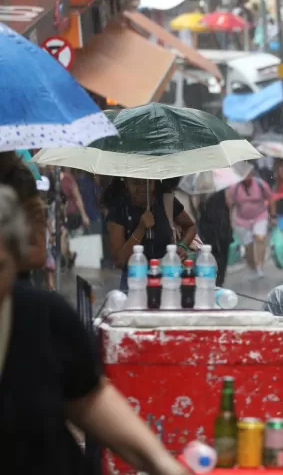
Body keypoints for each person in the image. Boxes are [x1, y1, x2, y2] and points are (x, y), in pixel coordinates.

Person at [0, 185, 190, 475]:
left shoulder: (42, 316)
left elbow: (89, 397)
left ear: (16, 261)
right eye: (134, 183)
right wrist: (140, 227)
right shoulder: (120, 212)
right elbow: (118, 255)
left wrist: (161, 462)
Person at [105, 178, 197, 291]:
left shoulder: (165, 200)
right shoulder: (119, 209)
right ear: (127, 183)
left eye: (147, 183)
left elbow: (191, 226)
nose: (142, 188)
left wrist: (183, 245)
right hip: (135, 283)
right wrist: (141, 229)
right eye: (136, 183)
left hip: (167, 279)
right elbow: (119, 260)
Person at [227, 175, 274, 278]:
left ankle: (260, 266)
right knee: (248, 246)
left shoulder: (260, 184)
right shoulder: (234, 188)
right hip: (242, 220)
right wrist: (230, 221)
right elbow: (230, 205)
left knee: (260, 239)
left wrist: (273, 216)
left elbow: (271, 198)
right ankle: (253, 267)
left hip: (260, 216)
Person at [195, 190, 233, 287]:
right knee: (222, 255)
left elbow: (196, 208)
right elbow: (229, 204)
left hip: (207, 226)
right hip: (222, 224)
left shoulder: (200, 191)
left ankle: (213, 280)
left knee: (209, 254)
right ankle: (220, 281)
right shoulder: (222, 189)